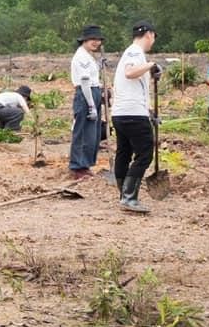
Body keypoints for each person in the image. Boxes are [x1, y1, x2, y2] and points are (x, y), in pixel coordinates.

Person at [111, 23, 159, 212]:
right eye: (153, 37)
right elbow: (130, 73)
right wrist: (151, 64)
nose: (153, 42)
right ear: (148, 35)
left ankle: (124, 193)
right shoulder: (135, 52)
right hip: (132, 113)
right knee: (145, 153)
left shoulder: (131, 52)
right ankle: (129, 198)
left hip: (121, 113)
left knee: (124, 152)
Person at [68, 25, 106, 180]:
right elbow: (84, 82)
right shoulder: (81, 56)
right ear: (84, 40)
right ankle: (78, 166)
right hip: (85, 95)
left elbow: (92, 76)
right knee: (83, 131)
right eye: (92, 39)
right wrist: (91, 105)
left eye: (98, 40)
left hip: (93, 91)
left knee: (93, 133)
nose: (96, 42)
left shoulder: (89, 55)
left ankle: (86, 164)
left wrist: (100, 65)